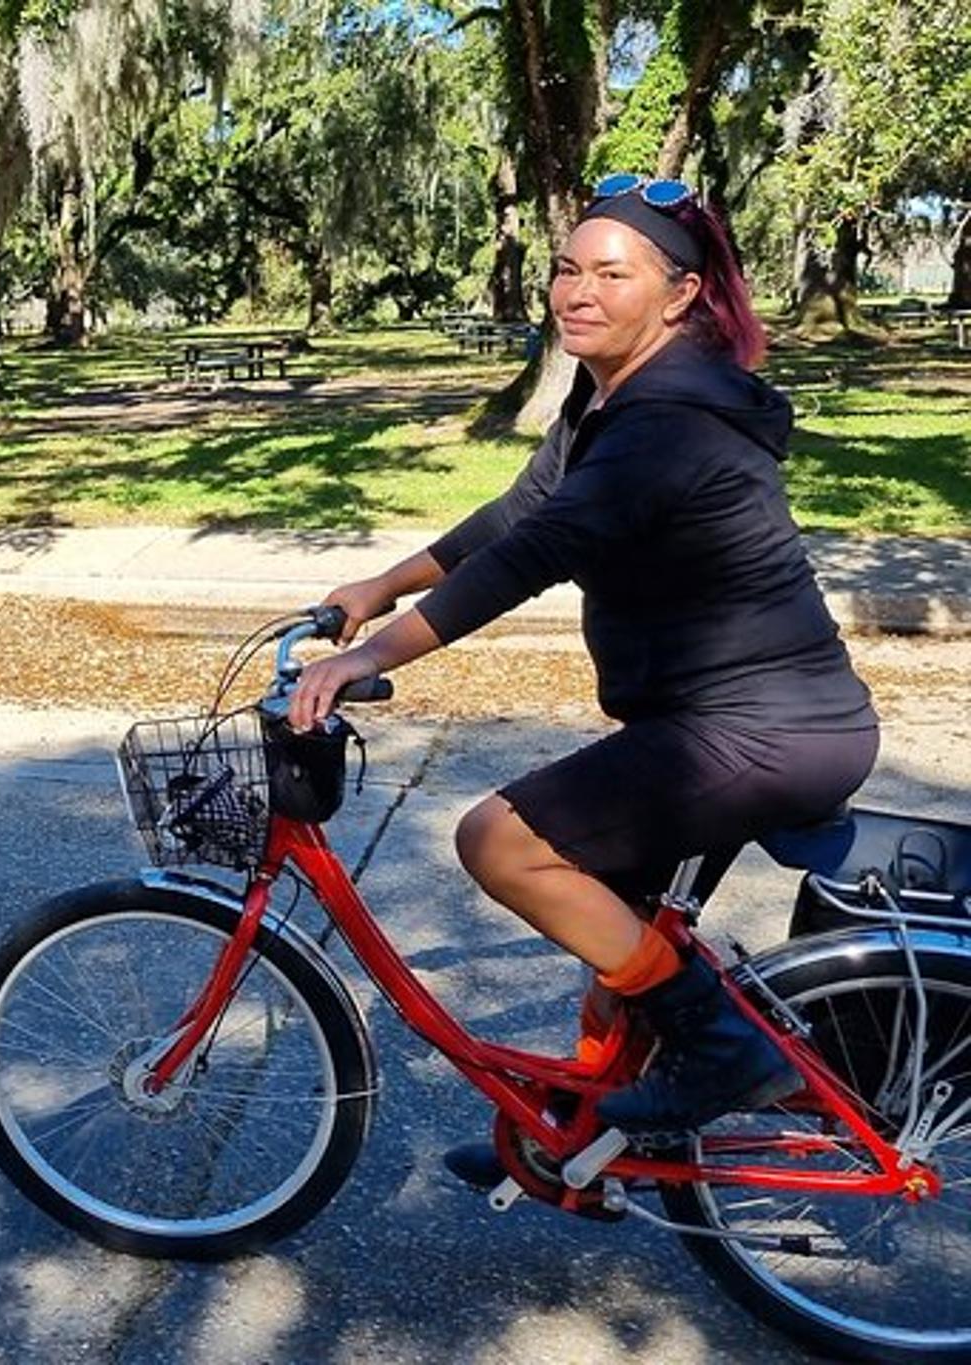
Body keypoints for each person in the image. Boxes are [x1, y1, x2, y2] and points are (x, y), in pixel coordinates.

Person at [288, 175, 879, 1156]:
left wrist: (370, 656)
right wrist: (379, 586)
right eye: (566, 268)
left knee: (501, 842)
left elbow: (530, 557)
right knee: (619, 938)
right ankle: (589, 1137)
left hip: (760, 734)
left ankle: (725, 1048)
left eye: (612, 273)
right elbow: (514, 516)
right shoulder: (614, 396)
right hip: (725, 727)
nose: (576, 290)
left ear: (680, 294)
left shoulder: (668, 422)